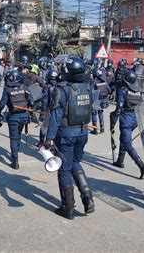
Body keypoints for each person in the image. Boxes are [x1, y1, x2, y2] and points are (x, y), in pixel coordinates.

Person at [46, 56, 94, 219]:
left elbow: (55, 116)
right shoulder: (86, 87)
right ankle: (88, 198)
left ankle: (67, 208)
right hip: (83, 132)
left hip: (66, 135)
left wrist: (49, 138)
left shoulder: (62, 89)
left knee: (64, 169)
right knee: (75, 163)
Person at [110, 70, 144, 179]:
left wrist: (113, 120)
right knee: (124, 138)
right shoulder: (140, 90)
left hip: (126, 118)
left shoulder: (123, 90)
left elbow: (119, 108)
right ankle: (120, 161)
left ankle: (142, 166)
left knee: (127, 144)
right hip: (136, 118)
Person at [0, 70, 30, 170]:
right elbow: (32, 101)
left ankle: (15, 161)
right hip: (24, 117)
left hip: (13, 117)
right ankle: (15, 152)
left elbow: (2, 104)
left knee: (14, 138)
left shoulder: (7, 89)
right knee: (18, 137)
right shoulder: (24, 87)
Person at [91, 69, 112, 134]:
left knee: (94, 114)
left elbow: (90, 92)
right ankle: (102, 127)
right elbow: (109, 90)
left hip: (96, 100)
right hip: (103, 99)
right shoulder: (104, 82)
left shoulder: (93, 82)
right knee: (100, 112)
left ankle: (95, 129)